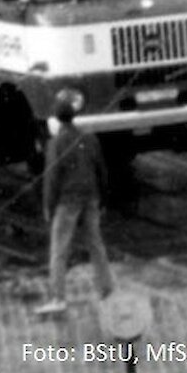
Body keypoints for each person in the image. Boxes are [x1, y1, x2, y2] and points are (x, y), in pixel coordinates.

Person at [36, 97, 113, 315]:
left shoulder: (56, 143)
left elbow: (52, 178)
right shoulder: (89, 138)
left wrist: (47, 206)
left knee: (59, 249)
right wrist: (103, 199)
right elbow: (101, 170)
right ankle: (107, 290)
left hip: (67, 200)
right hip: (91, 197)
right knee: (96, 245)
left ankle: (58, 297)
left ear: (57, 119)